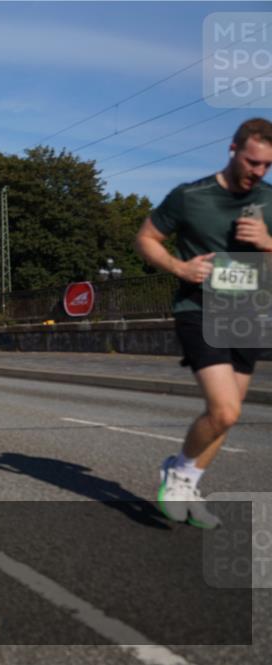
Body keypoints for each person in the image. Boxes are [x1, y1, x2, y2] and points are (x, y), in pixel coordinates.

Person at [134, 117, 272, 529]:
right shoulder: (190, 196)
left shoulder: (268, 200)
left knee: (227, 415)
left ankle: (188, 479)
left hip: (248, 313)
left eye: (267, 166)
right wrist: (179, 267)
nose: (258, 173)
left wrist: (266, 242)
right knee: (225, 410)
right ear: (233, 150)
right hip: (200, 309)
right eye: (252, 162)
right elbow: (144, 238)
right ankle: (178, 477)